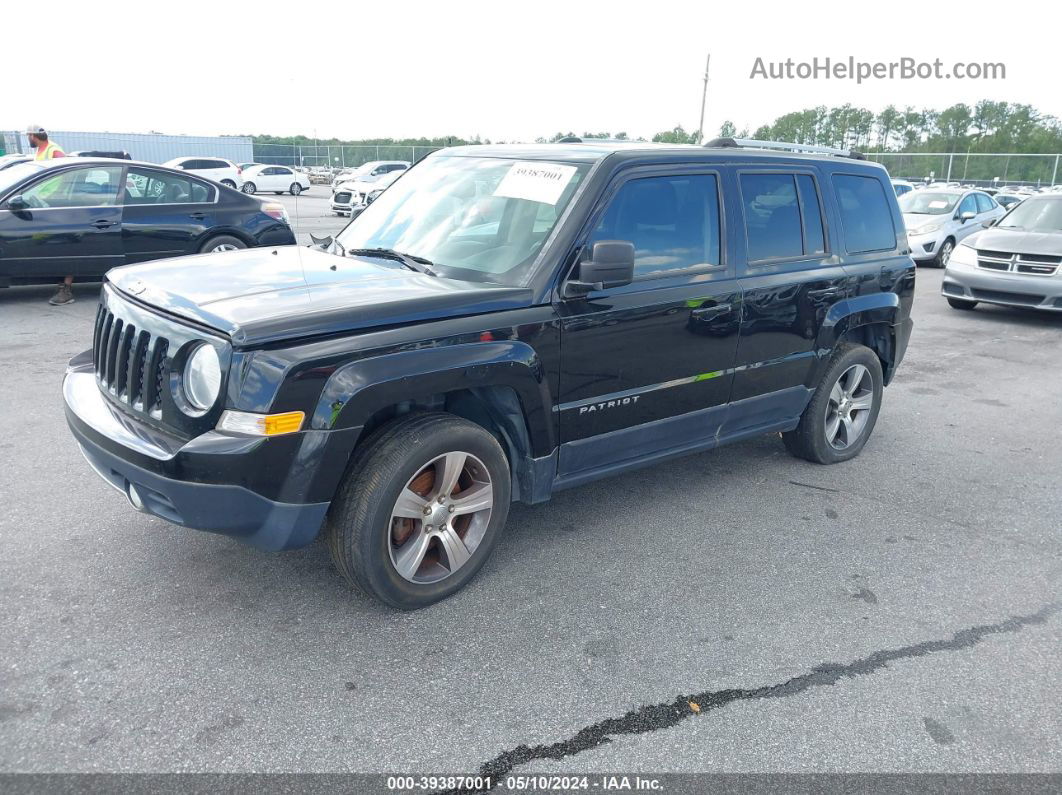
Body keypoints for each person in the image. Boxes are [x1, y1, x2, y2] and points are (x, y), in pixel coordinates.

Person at [26, 125, 75, 305]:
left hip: (53, 204)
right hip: (41, 201)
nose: (27, 139)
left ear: (33, 136)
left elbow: (67, 172)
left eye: (28, 135)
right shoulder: (41, 150)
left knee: (62, 244)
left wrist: (58, 194)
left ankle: (65, 288)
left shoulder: (54, 150)